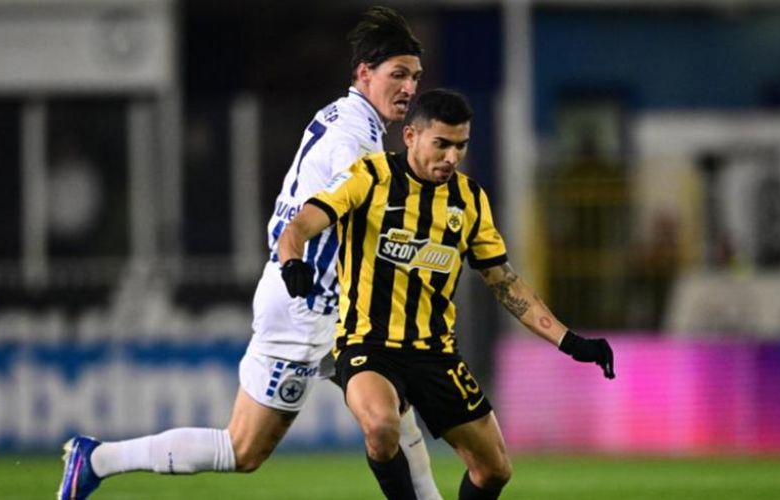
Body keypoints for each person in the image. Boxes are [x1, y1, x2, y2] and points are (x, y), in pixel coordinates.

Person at [58, 7, 442, 500]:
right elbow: (353, 218)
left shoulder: (348, 119)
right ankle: (97, 459)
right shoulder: (353, 142)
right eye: (398, 74)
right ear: (365, 73)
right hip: (305, 312)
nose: (409, 88)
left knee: (394, 411)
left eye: (415, 77)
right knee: (243, 449)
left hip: (342, 310)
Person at [278, 88, 616, 500]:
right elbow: (299, 226)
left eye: (461, 146)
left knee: (494, 470)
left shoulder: (469, 199)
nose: (452, 157)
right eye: (442, 144)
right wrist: (292, 263)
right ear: (410, 136)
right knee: (381, 427)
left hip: (436, 353)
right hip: (368, 345)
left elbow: (504, 282)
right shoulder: (368, 177)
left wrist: (570, 341)